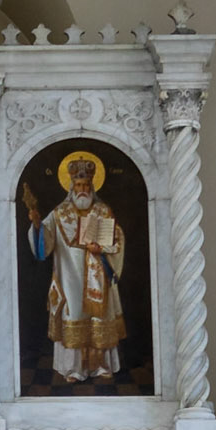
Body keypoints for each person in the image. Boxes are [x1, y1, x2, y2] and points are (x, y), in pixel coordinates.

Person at [25, 154, 128, 383]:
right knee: (74, 315)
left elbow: (118, 239)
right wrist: (36, 226)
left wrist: (101, 248)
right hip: (69, 277)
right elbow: (45, 244)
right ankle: (73, 368)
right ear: (71, 186)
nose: (82, 189)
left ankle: (101, 366)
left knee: (99, 319)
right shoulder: (60, 213)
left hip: (98, 277)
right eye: (78, 185)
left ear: (92, 186)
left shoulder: (103, 211)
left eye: (86, 185)